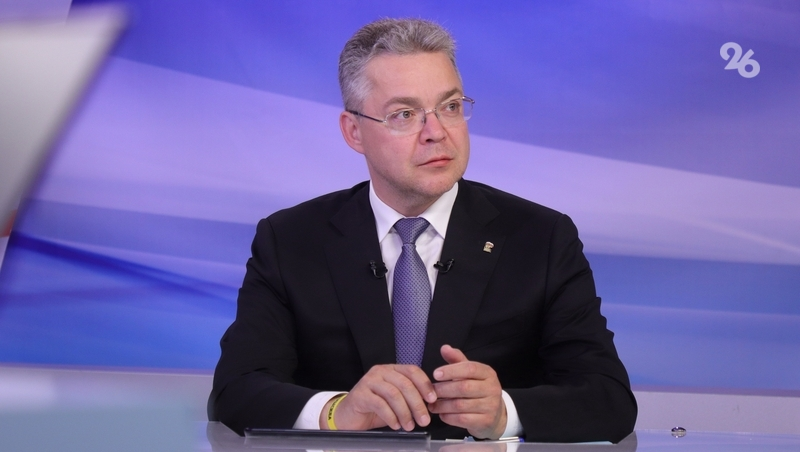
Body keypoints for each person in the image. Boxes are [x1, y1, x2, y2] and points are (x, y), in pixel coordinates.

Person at [208, 18, 637, 443]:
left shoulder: (540, 238)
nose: (437, 133)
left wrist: (503, 413)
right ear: (354, 131)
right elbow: (236, 391)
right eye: (404, 114)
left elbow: (609, 399)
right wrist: (338, 411)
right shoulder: (291, 240)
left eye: (450, 107)